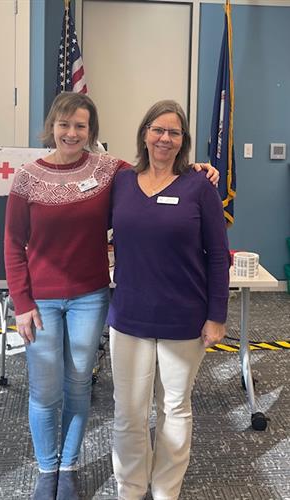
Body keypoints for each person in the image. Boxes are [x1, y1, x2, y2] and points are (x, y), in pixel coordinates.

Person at [4, 92, 219, 500]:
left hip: (90, 295)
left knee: (79, 385)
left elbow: (163, 167)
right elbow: (13, 243)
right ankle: (47, 469)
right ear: (51, 126)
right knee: (46, 391)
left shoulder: (109, 171)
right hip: (47, 299)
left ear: (92, 132)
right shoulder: (29, 176)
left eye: (81, 126)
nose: (71, 133)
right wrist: (22, 302)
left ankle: (68, 467)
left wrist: (201, 169)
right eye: (64, 124)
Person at [107, 99, 230, 500]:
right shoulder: (121, 182)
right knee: (129, 412)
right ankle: (130, 488)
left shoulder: (200, 186)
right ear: (145, 133)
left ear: (183, 141)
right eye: (158, 129)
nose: (165, 138)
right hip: (129, 316)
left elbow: (217, 255)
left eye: (174, 132)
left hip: (184, 318)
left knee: (174, 409)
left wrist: (217, 316)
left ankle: (165, 491)